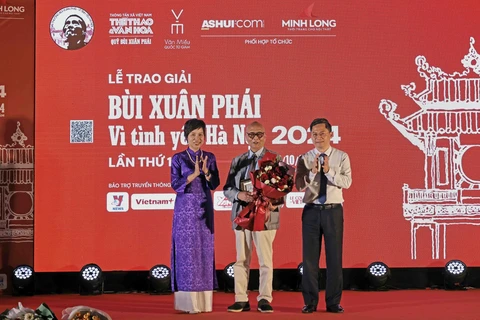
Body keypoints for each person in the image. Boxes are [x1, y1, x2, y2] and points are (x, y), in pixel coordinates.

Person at [295, 118, 352, 314]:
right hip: (311, 210)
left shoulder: (341, 156)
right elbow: (299, 185)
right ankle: (310, 302)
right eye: (314, 134)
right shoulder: (304, 157)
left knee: (334, 258)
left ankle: (333, 302)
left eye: (322, 134)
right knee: (310, 259)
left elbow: (347, 182)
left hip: (333, 210)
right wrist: (312, 174)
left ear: (330, 134)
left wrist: (328, 171)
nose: (318, 138)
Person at [223, 121, 281, 313]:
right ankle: (241, 298)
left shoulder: (274, 158)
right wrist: (239, 195)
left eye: (259, 134)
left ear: (265, 136)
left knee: (266, 260)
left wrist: (274, 202)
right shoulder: (237, 161)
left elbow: (282, 188)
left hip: (266, 216)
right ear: (245, 137)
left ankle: (265, 298)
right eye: (251, 134)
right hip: (242, 215)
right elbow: (227, 188)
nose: (255, 138)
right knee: (241, 260)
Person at [170, 119, 220, 314]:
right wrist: (192, 175)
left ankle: (204, 303)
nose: (197, 138)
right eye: (193, 135)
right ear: (186, 136)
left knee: (203, 252)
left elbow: (215, 183)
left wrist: (206, 173)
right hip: (184, 212)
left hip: (204, 209)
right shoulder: (178, 158)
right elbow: (175, 184)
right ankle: (188, 304)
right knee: (187, 253)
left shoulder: (210, 157)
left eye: (200, 135)